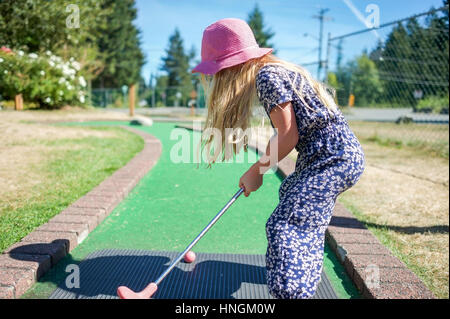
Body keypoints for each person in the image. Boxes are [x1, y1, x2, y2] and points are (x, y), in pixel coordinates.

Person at [192, 18, 365, 299]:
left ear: (233, 66)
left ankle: (291, 293)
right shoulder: (276, 71)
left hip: (332, 159)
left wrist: (257, 171)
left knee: (287, 224)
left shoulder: (267, 77)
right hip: (330, 156)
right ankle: (302, 275)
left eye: (219, 72)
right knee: (296, 204)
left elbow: (287, 135)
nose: (218, 79)